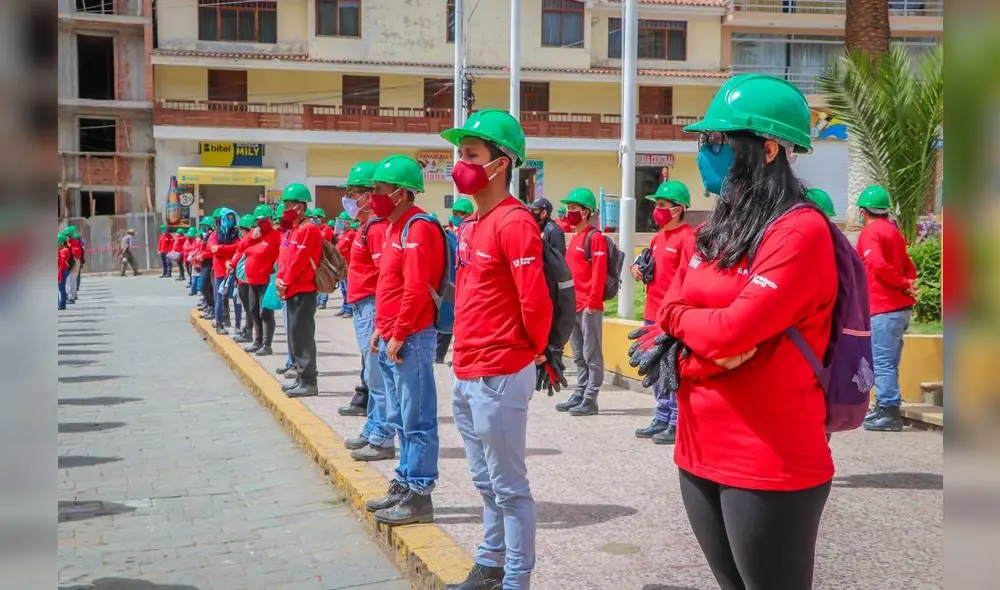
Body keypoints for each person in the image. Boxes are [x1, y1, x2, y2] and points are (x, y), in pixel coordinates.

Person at [655, 73, 835, 590]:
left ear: (770, 148)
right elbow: (669, 307)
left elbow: (731, 329)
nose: (705, 152)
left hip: (767, 459)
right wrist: (700, 348)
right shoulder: (717, 228)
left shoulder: (800, 231)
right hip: (697, 448)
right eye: (704, 140)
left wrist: (699, 332)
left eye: (718, 141)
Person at [441, 108, 554, 590]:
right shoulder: (472, 224)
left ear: (500, 163)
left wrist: (528, 354)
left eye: (471, 155)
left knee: (509, 488)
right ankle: (489, 562)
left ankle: (515, 579)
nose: (460, 164)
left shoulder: (514, 222)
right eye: (461, 154)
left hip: (500, 371)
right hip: (467, 372)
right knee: (485, 483)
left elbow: (536, 301)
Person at [363, 154, 444, 526]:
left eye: (379, 189)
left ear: (401, 193)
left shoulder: (418, 227)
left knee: (417, 418)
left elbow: (415, 289)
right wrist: (382, 326)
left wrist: (398, 332)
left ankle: (420, 493)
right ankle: (403, 481)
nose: (372, 196)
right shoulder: (394, 227)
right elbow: (390, 285)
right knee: (400, 418)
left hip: (412, 337)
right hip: (396, 333)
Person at [339, 161, 397, 462]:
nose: (349, 199)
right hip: (364, 305)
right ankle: (373, 427)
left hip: (373, 305)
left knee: (378, 377)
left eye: (354, 193)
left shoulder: (375, 227)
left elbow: (385, 273)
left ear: (367, 195)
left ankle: (382, 436)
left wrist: (380, 319)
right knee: (372, 373)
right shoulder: (367, 226)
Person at [630, 180, 695, 445]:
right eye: (656, 204)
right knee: (655, 370)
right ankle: (661, 415)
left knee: (672, 371)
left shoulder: (688, 238)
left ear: (678, 209)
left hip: (672, 317)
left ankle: (676, 421)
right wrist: (637, 269)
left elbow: (691, 278)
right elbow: (648, 264)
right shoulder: (658, 237)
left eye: (662, 205)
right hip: (651, 313)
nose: (656, 210)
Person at [856, 184, 917, 432]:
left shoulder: (871, 232)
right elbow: (909, 266)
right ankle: (885, 407)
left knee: (881, 362)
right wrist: (907, 285)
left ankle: (889, 411)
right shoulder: (893, 232)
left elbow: (877, 264)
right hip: (900, 309)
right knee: (889, 361)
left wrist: (901, 284)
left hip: (884, 309)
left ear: (863, 212)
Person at [556, 187, 607, 417]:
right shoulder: (575, 237)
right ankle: (580, 392)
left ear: (586, 212)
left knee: (591, 355)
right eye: (568, 208)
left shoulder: (594, 238)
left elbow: (599, 273)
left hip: (589, 307)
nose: (570, 212)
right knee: (578, 354)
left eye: (574, 209)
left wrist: (592, 303)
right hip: (574, 306)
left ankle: (590, 398)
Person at [275, 184, 323, 398]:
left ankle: (308, 381)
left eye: (288, 204)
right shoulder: (296, 229)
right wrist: (280, 280)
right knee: (295, 335)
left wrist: (285, 281)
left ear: (300, 207)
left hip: (302, 291)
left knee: (303, 337)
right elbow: (286, 258)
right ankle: (300, 377)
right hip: (292, 289)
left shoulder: (308, 229)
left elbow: (299, 261)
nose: (285, 208)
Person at [243, 204, 282, 356]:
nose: (261, 223)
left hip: (267, 280)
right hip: (252, 280)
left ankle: (267, 344)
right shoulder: (253, 233)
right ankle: (257, 341)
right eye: (258, 220)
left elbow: (282, 254)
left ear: (271, 220)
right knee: (253, 310)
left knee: (265, 312)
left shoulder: (276, 235)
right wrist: (250, 239)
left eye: (264, 220)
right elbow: (241, 248)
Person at [208, 209, 240, 335]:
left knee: (237, 298)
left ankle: (238, 325)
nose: (230, 221)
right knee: (220, 298)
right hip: (220, 270)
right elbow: (213, 249)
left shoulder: (237, 233)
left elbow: (238, 247)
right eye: (228, 218)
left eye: (232, 218)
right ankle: (219, 324)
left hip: (233, 269)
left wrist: (222, 249)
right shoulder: (216, 234)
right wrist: (227, 252)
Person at [228, 214, 257, 343]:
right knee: (248, 307)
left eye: (242, 229)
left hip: (248, 280)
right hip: (242, 279)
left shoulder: (249, 243)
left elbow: (238, 256)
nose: (240, 232)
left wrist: (231, 263)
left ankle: (249, 332)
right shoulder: (245, 242)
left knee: (250, 307)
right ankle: (248, 330)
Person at [334, 211, 356, 317]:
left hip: (348, 265)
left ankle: (349, 309)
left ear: (348, 223)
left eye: (342, 222)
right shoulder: (343, 234)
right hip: (342, 266)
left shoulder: (351, 234)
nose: (340, 224)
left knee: (348, 288)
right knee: (343, 288)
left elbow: (339, 248)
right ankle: (345, 307)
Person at [65, 226, 84, 303]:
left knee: (70, 280)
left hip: (74, 262)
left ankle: (71, 297)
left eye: (67, 235)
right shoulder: (74, 243)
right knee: (72, 280)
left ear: (70, 235)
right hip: (75, 262)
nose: (66, 236)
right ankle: (74, 294)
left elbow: (74, 254)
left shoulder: (72, 244)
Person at [58, 234, 72, 310]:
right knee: (61, 287)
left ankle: (62, 304)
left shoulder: (65, 250)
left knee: (61, 288)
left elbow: (62, 261)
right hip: (62, 270)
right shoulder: (61, 250)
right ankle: (61, 304)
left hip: (63, 270)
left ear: (62, 242)